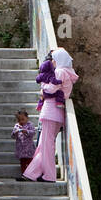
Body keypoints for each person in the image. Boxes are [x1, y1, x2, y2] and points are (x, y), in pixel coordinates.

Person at [23, 47, 78, 183]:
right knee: (43, 145)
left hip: (50, 112)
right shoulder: (68, 72)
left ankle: (49, 176)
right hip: (55, 112)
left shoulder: (59, 72)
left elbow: (52, 88)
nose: (52, 62)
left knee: (47, 146)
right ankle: (31, 173)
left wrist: (43, 87)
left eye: (54, 60)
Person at [12, 108, 37, 180]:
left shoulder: (30, 125)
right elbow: (12, 136)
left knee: (30, 162)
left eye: (23, 119)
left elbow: (33, 132)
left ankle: (31, 175)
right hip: (21, 149)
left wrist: (26, 131)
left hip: (29, 148)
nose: (21, 121)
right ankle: (24, 176)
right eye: (19, 120)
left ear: (27, 118)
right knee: (22, 163)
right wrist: (15, 132)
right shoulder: (17, 126)